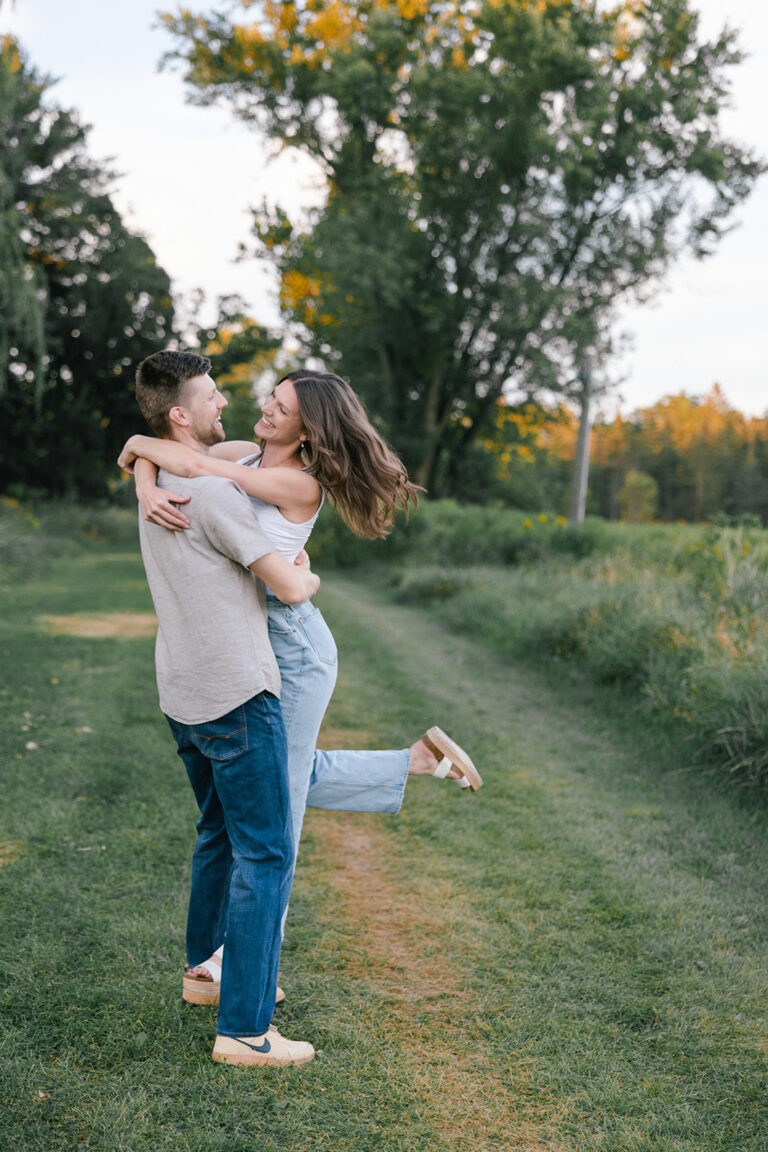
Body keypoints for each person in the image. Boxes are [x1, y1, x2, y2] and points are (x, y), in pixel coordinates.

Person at [119, 363, 483, 1006]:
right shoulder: (247, 451)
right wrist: (146, 481)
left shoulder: (294, 480)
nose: (265, 407)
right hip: (253, 633)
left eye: (281, 406)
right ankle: (418, 762)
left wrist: (146, 462)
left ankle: (246, 968)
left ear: (308, 426)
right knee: (277, 782)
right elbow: (165, 450)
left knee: (277, 813)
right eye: (271, 397)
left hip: (293, 644)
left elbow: (199, 468)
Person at [132, 348, 320, 1068]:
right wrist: (306, 571)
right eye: (211, 396)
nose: (225, 404)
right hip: (237, 694)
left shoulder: (154, 486)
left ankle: (201, 977)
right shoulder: (214, 495)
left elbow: (142, 452)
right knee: (266, 852)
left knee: (218, 832)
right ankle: (245, 1029)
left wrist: (143, 460)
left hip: (182, 691)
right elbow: (288, 589)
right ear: (181, 414)